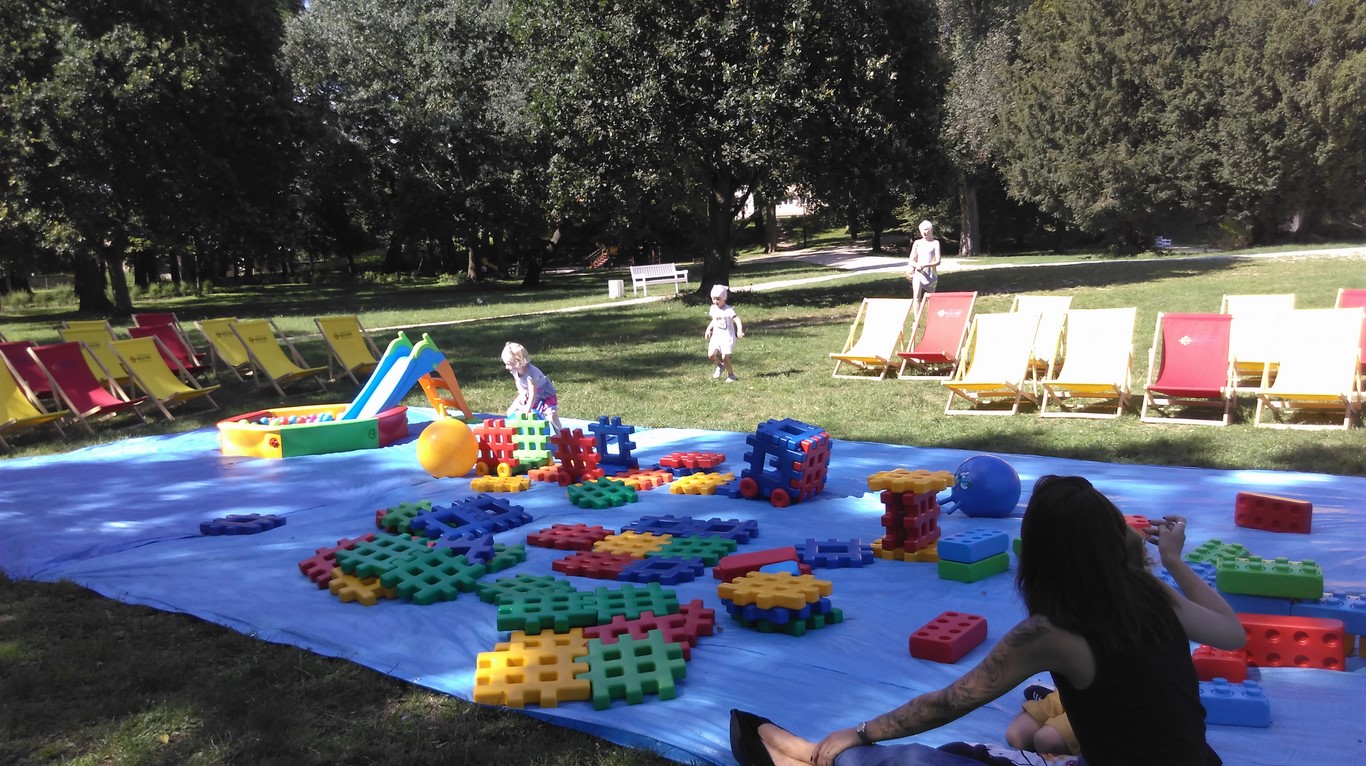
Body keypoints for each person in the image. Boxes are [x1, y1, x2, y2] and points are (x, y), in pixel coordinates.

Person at [731, 475, 1245, 766]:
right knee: (965, 753)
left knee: (918, 762)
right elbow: (1231, 631)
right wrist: (1174, 563)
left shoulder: (1051, 633)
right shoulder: (1150, 591)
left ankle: (812, 758)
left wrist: (859, 732)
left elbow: (948, 702)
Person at [501, 341, 561, 432]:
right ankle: (519, 432)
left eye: (508, 364)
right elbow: (518, 381)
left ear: (518, 362)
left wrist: (527, 410)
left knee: (551, 416)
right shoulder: (514, 370)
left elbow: (533, 395)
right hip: (527, 392)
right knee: (510, 412)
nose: (506, 367)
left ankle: (560, 435)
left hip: (543, 394)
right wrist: (522, 394)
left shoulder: (531, 374)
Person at [705, 284, 745, 382]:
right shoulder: (713, 308)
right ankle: (720, 366)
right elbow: (714, 320)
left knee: (724, 357)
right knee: (711, 355)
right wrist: (708, 329)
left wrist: (739, 331)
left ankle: (731, 375)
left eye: (718, 299)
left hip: (727, 337)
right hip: (716, 336)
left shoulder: (728, 310)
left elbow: (737, 319)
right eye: (714, 299)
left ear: (724, 298)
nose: (716, 301)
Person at [905, 220, 942, 310]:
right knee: (916, 297)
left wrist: (926, 265)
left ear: (930, 229)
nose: (924, 232)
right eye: (921, 230)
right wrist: (916, 265)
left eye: (926, 229)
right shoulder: (917, 243)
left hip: (931, 275)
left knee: (931, 298)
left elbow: (938, 261)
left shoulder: (935, 243)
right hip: (918, 274)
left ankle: (931, 317)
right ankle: (917, 318)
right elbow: (911, 260)